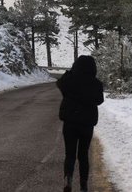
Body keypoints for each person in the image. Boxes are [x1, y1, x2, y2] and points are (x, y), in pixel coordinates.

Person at [56, 55, 104, 192]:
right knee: (83, 155)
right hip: (87, 124)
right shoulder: (96, 84)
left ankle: (68, 180)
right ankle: (83, 185)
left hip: (70, 122)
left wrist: (70, 72)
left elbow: (60, 83)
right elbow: (99, 100)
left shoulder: (70, 80)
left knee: (69, 154)